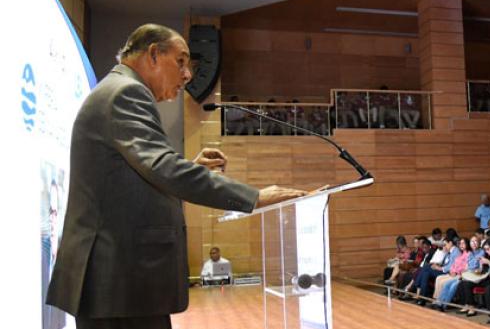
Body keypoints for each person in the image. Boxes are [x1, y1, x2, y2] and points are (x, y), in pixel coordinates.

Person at [46, 24, 307, 329]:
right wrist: (254, 197)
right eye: (181, 62)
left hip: (120, 282)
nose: (187, 75)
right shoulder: (125, 93)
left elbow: (138, 173)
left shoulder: (116, 89)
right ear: (153, 55)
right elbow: (163, 168)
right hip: (117, 279)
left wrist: (190, 165)